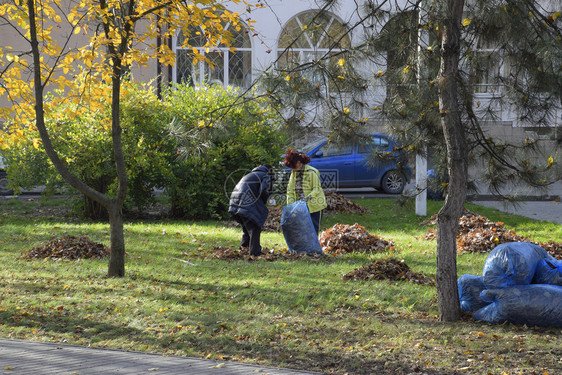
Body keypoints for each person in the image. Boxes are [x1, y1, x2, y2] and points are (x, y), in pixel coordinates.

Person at [228, 164, 274, 256]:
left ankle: (244, 248)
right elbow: (264, 190)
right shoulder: (265, 175)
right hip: (246, 203)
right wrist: (265, 200)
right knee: (255, 227)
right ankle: (255, 252)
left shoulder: (251, 175)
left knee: (247, 227)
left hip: (234, 203)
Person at [284, 148, 327, 235]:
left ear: (299, 163)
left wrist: (305, 200)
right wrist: (291, 205)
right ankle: (306, 248)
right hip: (301, 207)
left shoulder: (312, 172)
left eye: (293, 166)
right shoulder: (294, 173)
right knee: (303, 230)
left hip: (315, 206)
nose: (292, 169)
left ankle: (314, 248)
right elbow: (290, 190)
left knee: (313, 230)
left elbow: (316, 189)